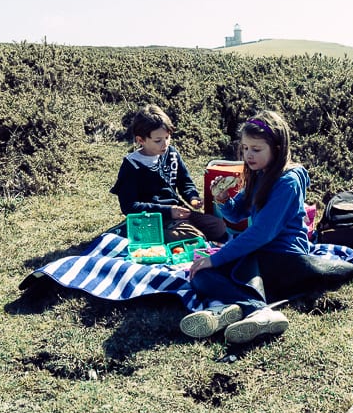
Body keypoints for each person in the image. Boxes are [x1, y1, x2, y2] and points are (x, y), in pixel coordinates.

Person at [179, 109, 310, 345]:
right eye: (245, 148)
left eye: (256, 149)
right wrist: (221, 199)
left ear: (277, 149)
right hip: (260, 253)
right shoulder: (259, 173)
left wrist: (217, 258)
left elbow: (261, 233)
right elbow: (237, 212)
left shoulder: (287, 182)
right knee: (199, 275)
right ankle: (239, 310)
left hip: (285, 257)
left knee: (216, 266)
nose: (248, 155)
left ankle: (257, 311)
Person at [110, 104, 228, 244]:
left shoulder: (171, 154)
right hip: (151, 219)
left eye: (167, 137)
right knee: (195, 237)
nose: (164, 144)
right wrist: (168, 211)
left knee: (218, 226)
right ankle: (149, 236)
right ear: (140, 140)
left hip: (178, 213)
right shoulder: (132, 165)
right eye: (158, 140)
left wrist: (192, 197)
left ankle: (181, 233)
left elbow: (184, 182)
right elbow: (129, 207)